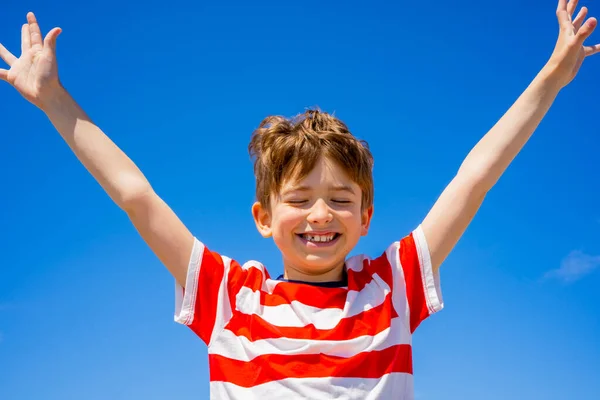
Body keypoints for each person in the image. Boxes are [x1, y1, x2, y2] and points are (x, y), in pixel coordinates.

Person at [1, 1, 598, 399]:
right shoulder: (229, 298)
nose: (320, 215)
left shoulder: (391, 289)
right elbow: (135, 195)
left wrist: (550, 78)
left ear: (366, 217)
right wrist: (55, 99)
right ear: (263, 217)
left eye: (341, 199)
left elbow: (474, 179)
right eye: (300, 198)